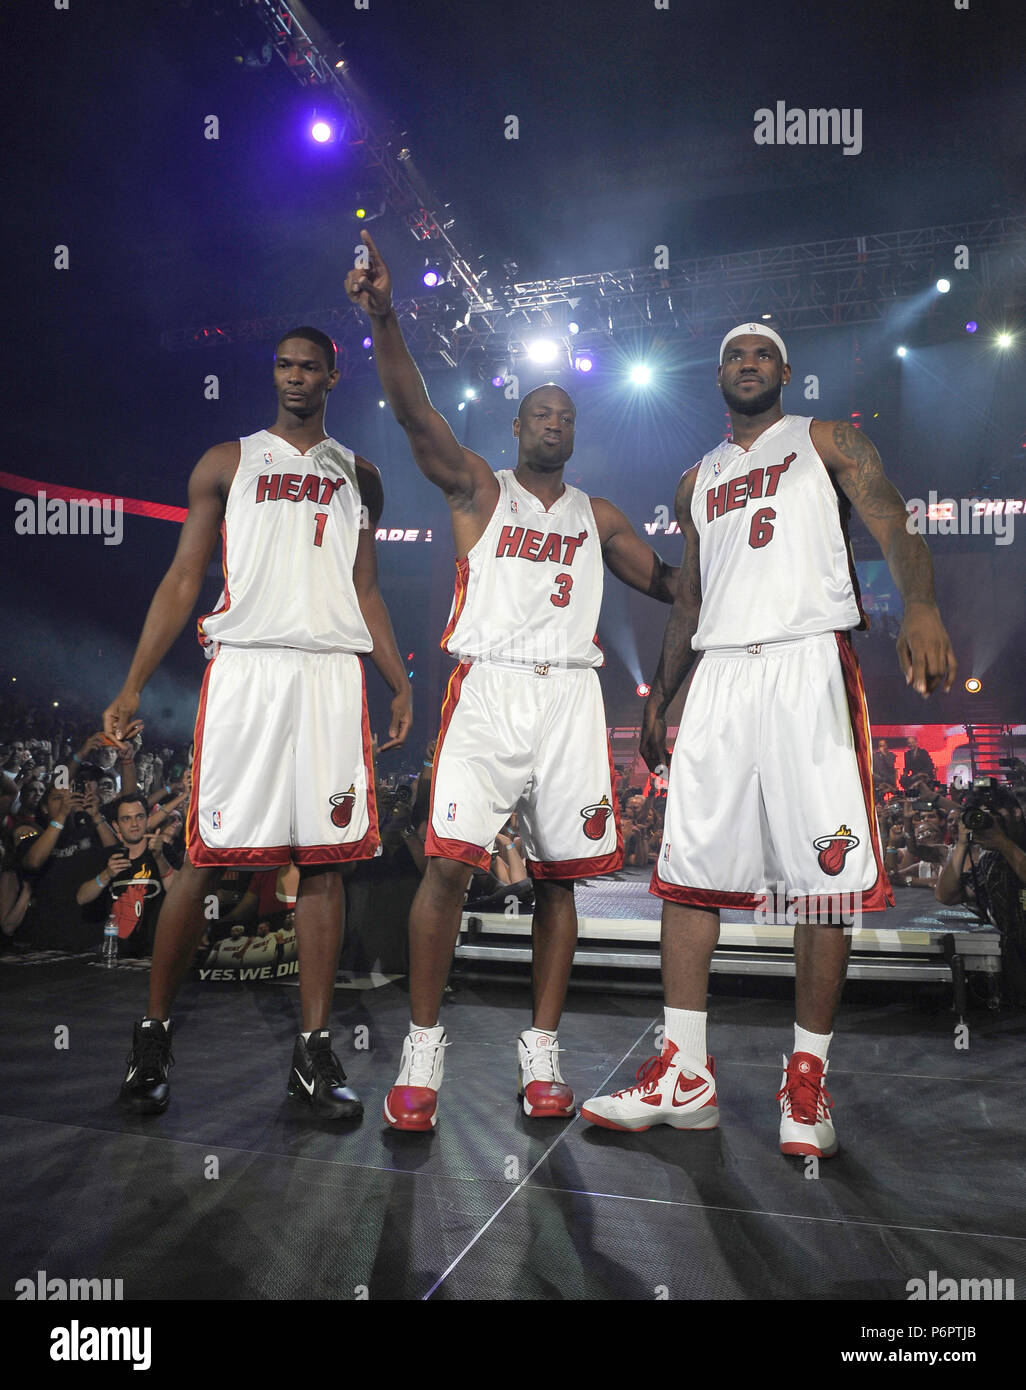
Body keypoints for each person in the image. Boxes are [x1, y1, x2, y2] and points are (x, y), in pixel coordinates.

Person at [581, 323, 956, 1156]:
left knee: (821, 881)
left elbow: (894, 519)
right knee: (687, 873)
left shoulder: (825, 440)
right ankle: (686, 1074)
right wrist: (660, 697)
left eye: (761, 355)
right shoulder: (694, 482)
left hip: (806, 657)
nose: (747, 365)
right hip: (717, 675)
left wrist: (920, 604)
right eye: (734, 356)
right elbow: (690, 600)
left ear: (785, 372)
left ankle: (807, 1083)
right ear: (717, 376)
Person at [347, 231, 676, 1130]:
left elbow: (675, 588)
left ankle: (543, 1053)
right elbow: (416, 416)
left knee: (559, 882)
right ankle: (422, 1051)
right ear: (517, 426)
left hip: (572, 696)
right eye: (542, 412)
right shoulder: (476, 492)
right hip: (488, 691)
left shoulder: (597, 515)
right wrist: (384, 316)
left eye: (568, 415)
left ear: (577, 432)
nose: (556, 423)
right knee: (447, 871)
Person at [103, 326, 412, 1120]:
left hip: (331, 676)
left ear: (333, 377)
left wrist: (398, 681)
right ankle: (152, 1036)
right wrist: (133, 685)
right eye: (284, 364)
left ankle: (311, 1056)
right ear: (272, 372)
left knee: (324, 863)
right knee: (205, 859)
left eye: (311, 365)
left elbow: (366, 591)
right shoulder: (228, 461)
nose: (296, 376)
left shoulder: (361, 475)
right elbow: (181, 579)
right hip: (247, 668)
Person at [936, 784, 1026, 1002]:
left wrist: (1004, 843)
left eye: (992, 813)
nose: (987, 820)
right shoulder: (991, 860)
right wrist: (960, 845)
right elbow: (947, 896)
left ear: (1016, 812)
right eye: (980, 815)